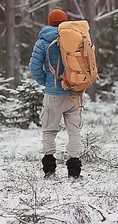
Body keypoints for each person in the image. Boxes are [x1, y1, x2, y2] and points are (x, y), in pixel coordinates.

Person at [29, 9, 82, 179]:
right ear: (65, 21)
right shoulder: (77, 37)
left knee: (49, 131)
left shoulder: (43, 42)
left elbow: (34, 67)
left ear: (49, 22)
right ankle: (74, 171)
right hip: (74, 92)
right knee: (74, 132)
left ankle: (49, 170)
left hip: (53, 94)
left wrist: (46, 82)